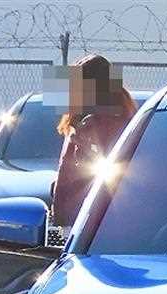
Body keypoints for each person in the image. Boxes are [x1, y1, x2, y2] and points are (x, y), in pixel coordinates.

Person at [52, 54, 137, 227]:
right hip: (116, 220)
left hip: (89, 223)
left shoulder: (88, 127)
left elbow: (67, 179)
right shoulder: (131, 121)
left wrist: (59, 219)